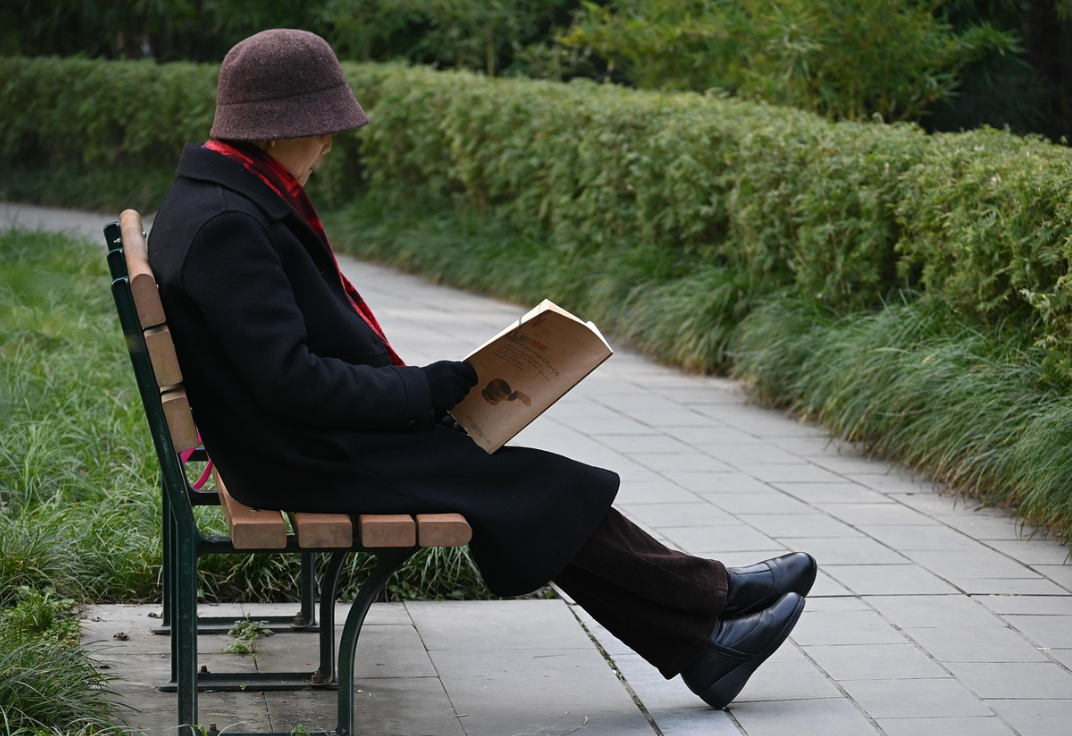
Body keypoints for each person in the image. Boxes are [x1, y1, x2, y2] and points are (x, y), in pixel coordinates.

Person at [148, 28, 817, 710]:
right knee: (533, 487)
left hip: (298, 439)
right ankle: (715, 604)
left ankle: (707, 640)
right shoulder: (231, 222)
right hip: (303, 453)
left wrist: (429, 392)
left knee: (530, 488)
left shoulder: (222, 197)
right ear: (278, 128)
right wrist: (423, 389)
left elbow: (283, 373)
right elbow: (293, 381)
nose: (328, 145)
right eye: (323, 129)